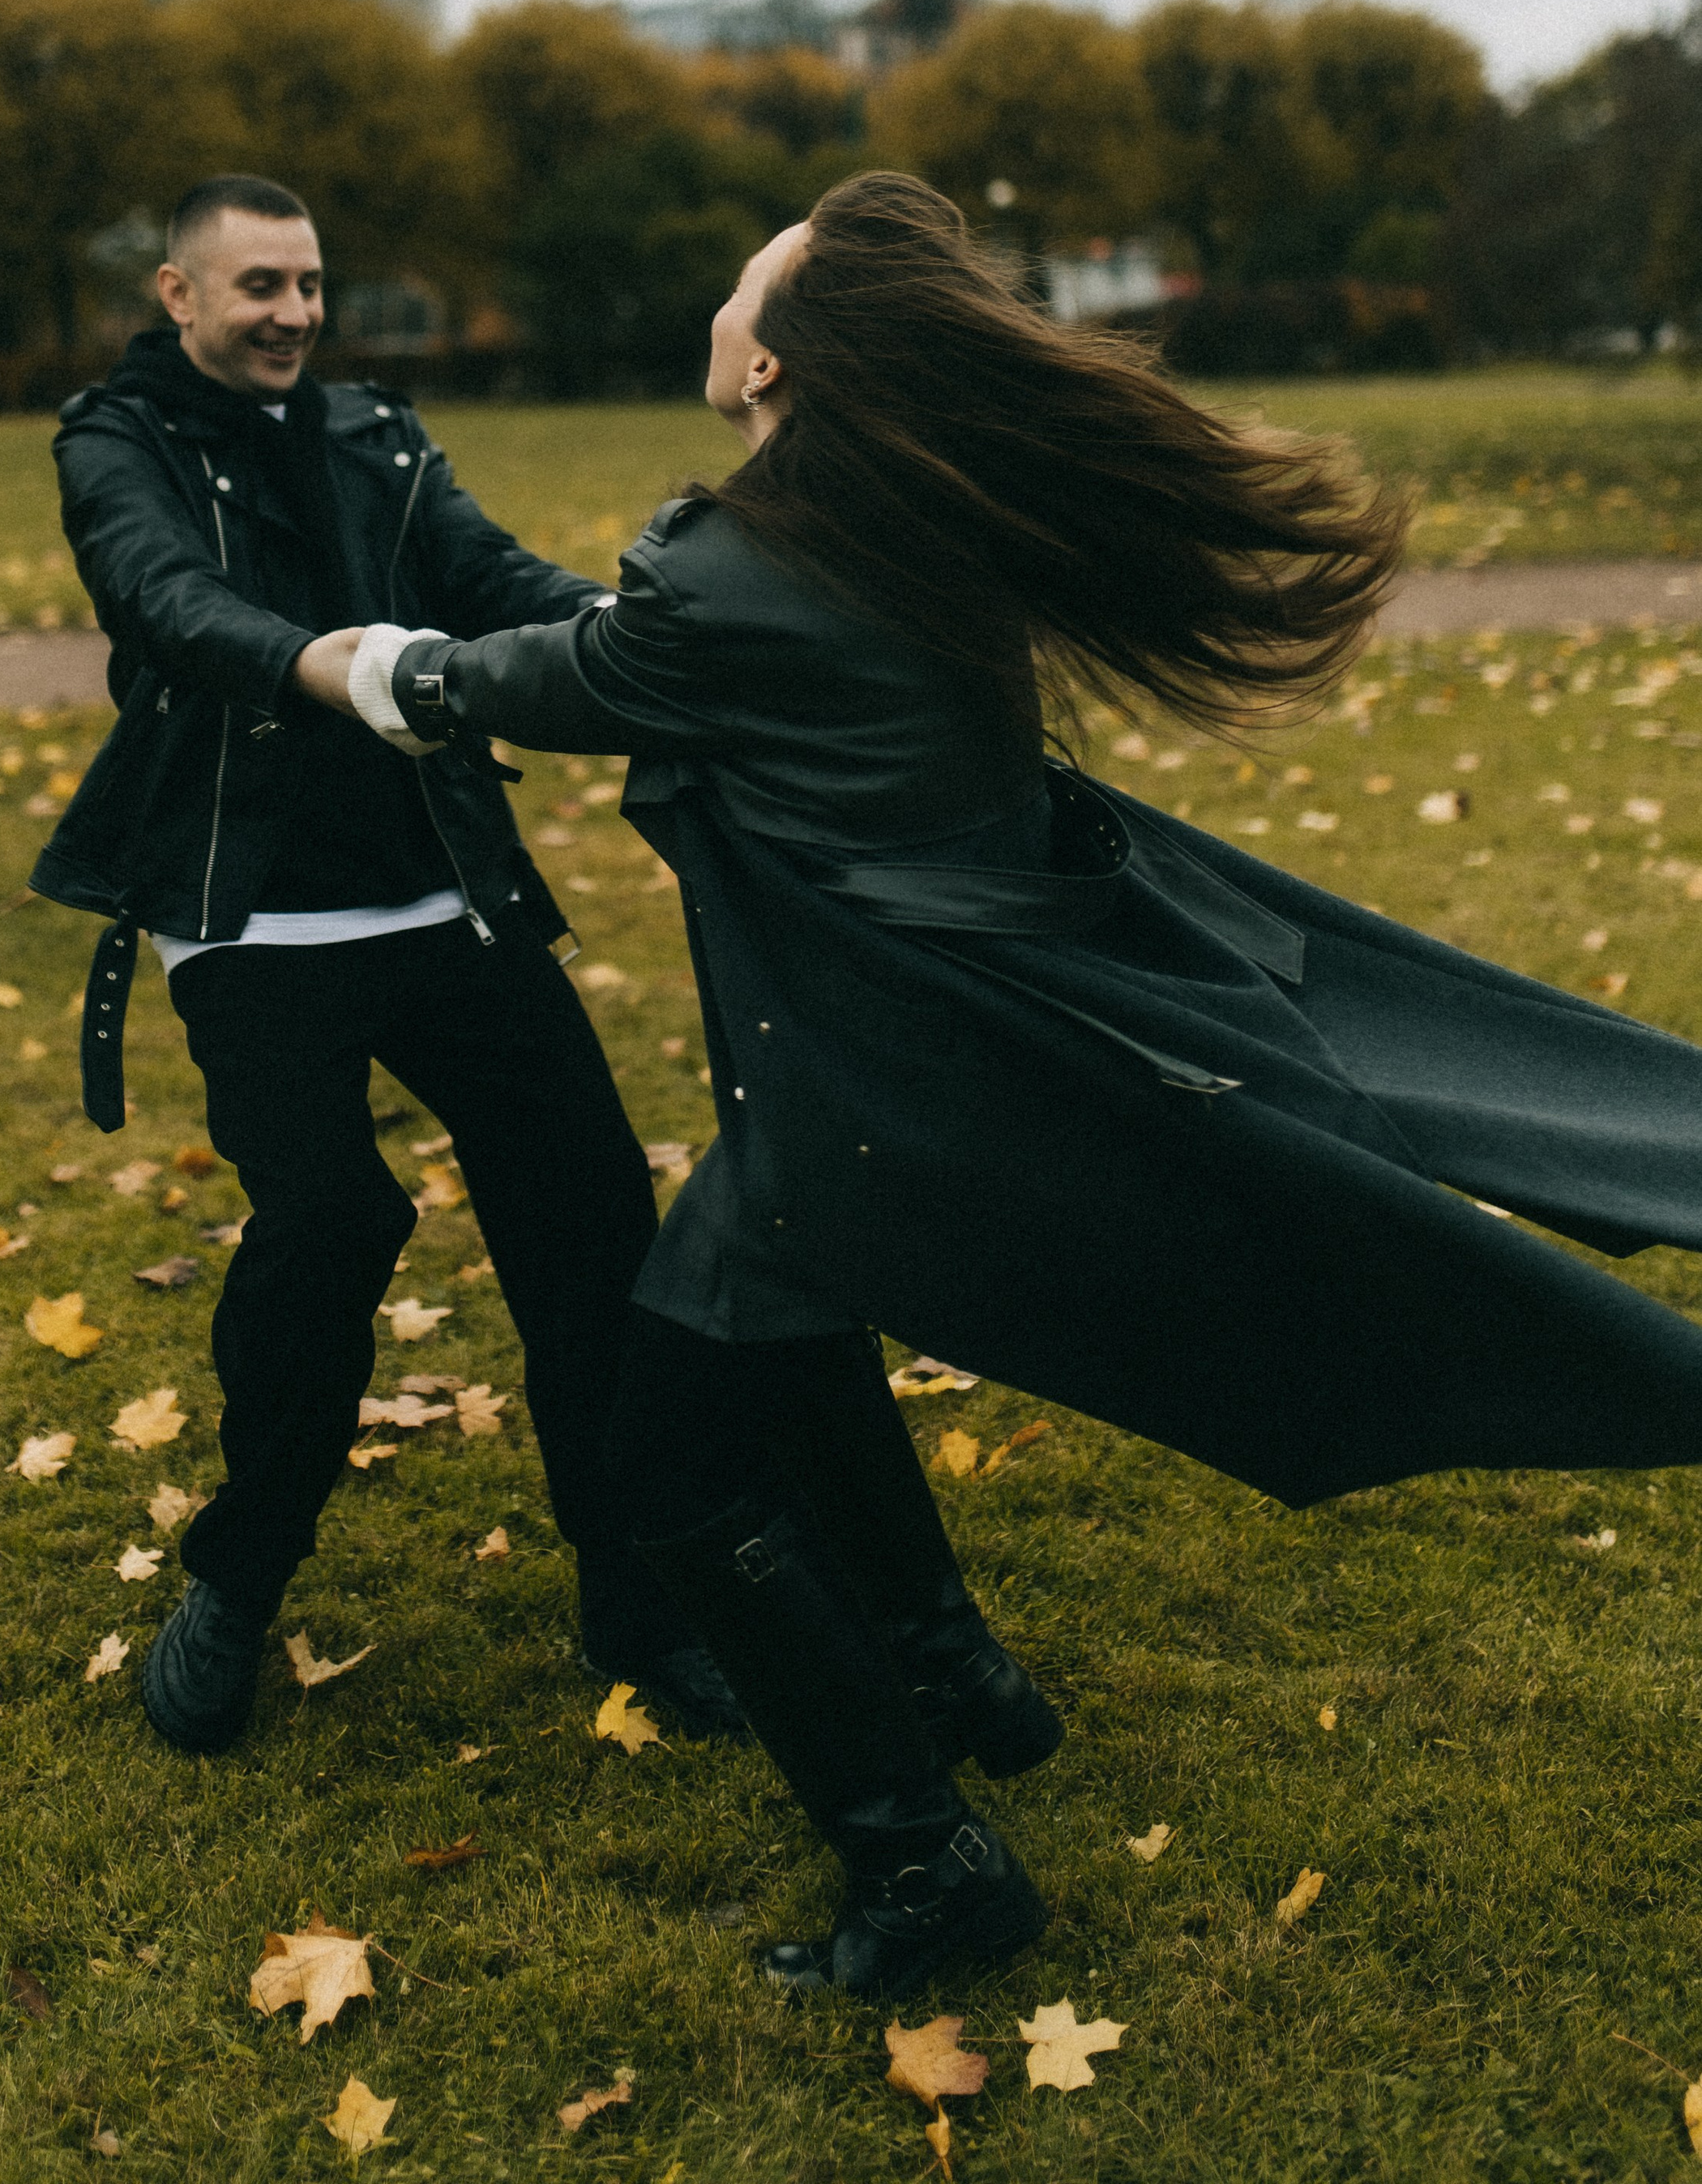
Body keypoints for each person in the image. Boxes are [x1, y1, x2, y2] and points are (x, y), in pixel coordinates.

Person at [304, 168, 1702, 1999]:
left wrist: (357, 662)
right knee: (775, 1339)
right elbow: (657, 653)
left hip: (880, 1080)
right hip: (894, 1056)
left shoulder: (745, 567)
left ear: (778, 357)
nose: (724, 293)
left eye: (751, 276)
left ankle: (926, 1867)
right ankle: (955, 1675)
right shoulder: (891, 525)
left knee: (667, 1456)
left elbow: (543, 675)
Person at [28, 173, 738, 1754]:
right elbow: (163, 600)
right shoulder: (113, 439)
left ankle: (637, 1599)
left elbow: (501, 588)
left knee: (591, 1214)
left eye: (305, 283)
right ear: (178, 296)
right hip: (253, 911)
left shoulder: (375, 438)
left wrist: (652, 640)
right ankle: (238, 1574)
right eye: (255, 285)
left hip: (440, 893)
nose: (288, 312)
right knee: (331, 1219)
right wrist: (333, 662)